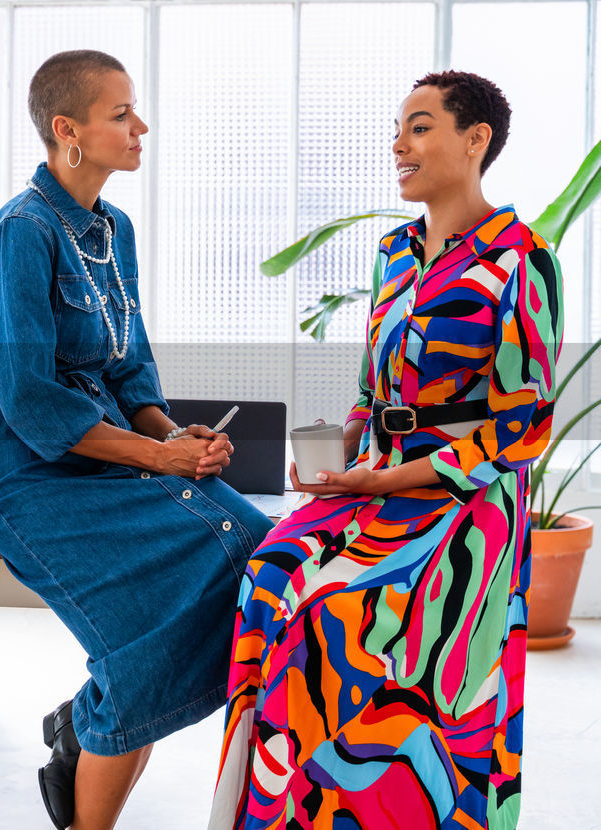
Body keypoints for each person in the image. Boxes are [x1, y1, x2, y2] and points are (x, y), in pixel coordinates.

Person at [209, 72, 563, 829]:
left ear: (477, 141)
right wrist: (334, 451)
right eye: (398, 127)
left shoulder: (521, 258)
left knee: (340, 612)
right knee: (268, 577)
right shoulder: (394, 253)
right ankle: (280, 810)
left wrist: (398, 475)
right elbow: (373, 388)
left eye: (421, 126)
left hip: (465, 497)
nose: (398, 144)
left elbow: (525, 421)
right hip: (377, 479)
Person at [0, 50, 275, 829]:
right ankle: (91, 760)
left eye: (135, 111)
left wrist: (178, 435)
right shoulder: (19, 233)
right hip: (26, 470)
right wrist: (158, 458)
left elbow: (132, 365)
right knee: (150, 633)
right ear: (67, 131)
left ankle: (84, 718)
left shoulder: (114, 228)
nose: (141, 127)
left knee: (259, 548)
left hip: (109, 451)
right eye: (121, 114)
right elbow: (32, 403)